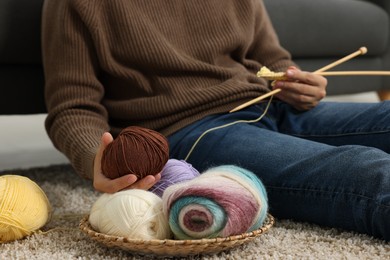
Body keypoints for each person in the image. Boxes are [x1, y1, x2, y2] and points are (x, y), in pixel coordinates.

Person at [41, 0, 389, 241]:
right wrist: (96, 158)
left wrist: (298, 83)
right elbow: (73, 107)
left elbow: (273, 60)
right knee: (368, 172)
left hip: (272, 104)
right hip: (191, 130)